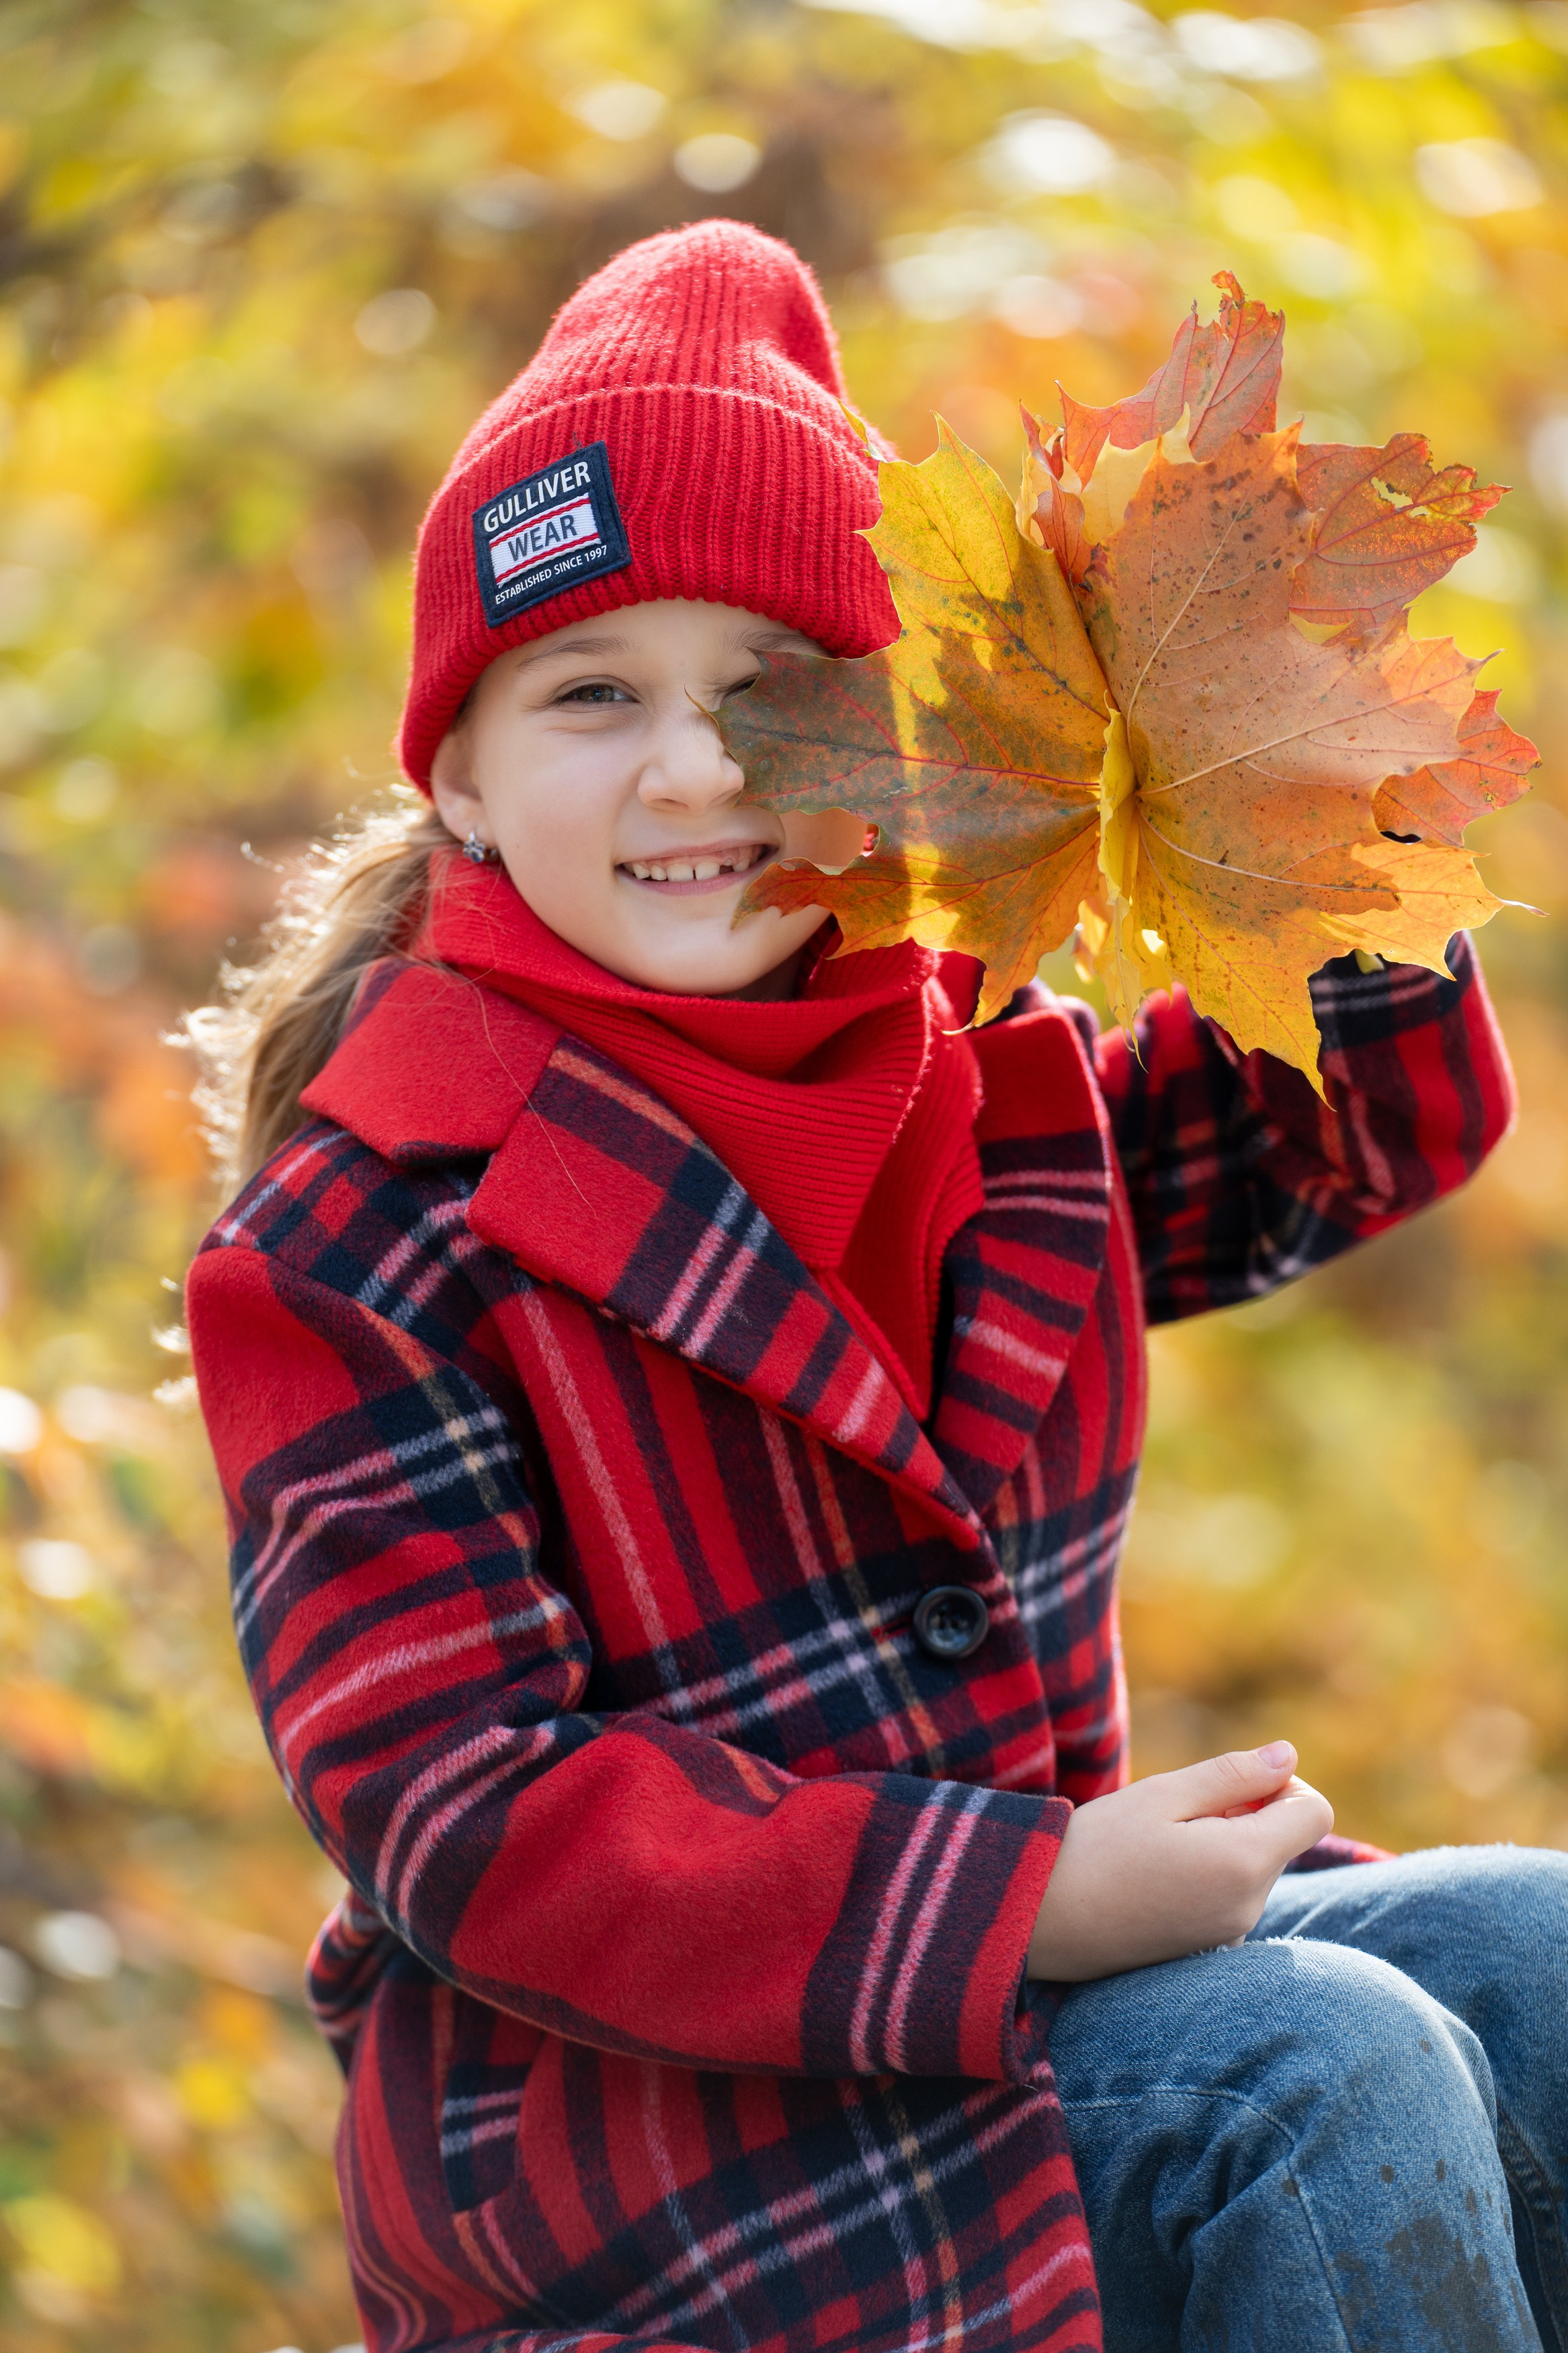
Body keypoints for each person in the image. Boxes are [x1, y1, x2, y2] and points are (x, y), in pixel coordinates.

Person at [185, 219, 1568, 2353]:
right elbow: (473, 1810)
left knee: (1543, 1969)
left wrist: (1277, 775)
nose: (695, 769)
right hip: (649, 2128)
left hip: (1000, 2020)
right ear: (456, 768)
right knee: (1318, 2075)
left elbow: (1339, 1137)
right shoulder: (364, 1234)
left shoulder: (975, 1059)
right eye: (593, 693)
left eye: (775, 690)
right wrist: (1031, 1894)